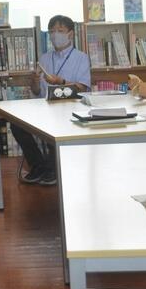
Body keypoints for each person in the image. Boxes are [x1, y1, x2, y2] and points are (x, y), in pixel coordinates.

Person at [11, 15, 90, 186]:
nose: (55, 35)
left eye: (60, 31)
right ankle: (38, 166)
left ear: (70, 34)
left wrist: (60, 82)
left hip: (70, 109)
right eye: (52, 31)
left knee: (56, 124)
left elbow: (83, 88)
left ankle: (53, 169)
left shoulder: (81, 58)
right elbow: (37, 92)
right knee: (16, 125)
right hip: (44, 108)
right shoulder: (45, 58)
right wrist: (34, 82)